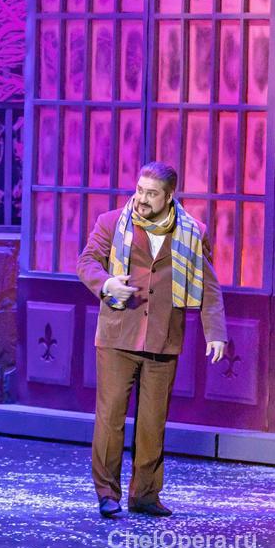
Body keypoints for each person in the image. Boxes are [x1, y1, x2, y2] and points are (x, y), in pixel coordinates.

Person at [77, 161, 227, 519]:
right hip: (118, 335)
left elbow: (208, 284)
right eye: (140, 190)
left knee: (152, 423)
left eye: (151, 193)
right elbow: (87, 262)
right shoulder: (112, 222)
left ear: (169, 196)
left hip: (163, 338)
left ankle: (145, 494)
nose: (142, 199)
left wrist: (216, 332)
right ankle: (107, 493)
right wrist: (106, 283)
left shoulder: (192, 232)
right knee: (110, 418)